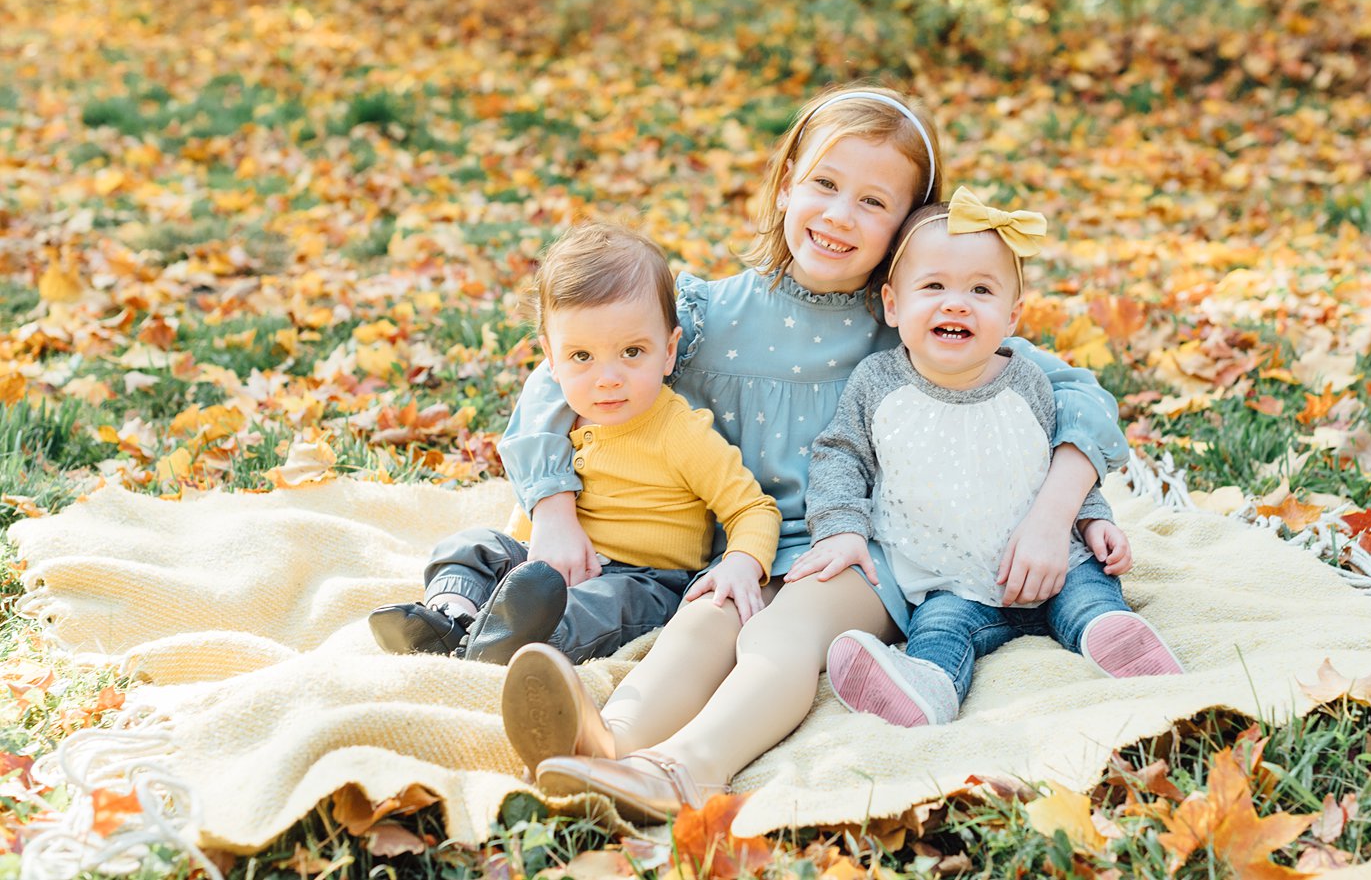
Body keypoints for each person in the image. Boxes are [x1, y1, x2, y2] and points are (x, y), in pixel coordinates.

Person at [495, 84, 1131, 823]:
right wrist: (552, 506)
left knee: (780, 630)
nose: (838, 215)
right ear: (789, 178)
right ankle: (610, 741)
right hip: (740, 546)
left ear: (904, 228)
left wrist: (1057, 514)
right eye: (825, 184)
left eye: (873, 201)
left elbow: (1074, 391)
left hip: (860, 549)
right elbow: (561, 372)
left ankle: (687, 767)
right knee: (705, 617)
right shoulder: (707, 316)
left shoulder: (910, 322)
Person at [808, 188, 1182, 730]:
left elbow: (1050, 459)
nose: (956, 303)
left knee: (1090, 599)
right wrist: (839, 528)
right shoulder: (877, 384)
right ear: (893, 304)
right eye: (933, 286)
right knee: (937, 631)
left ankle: (1121, 643)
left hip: (1058, 566)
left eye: (980, 290)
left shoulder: (1027, 382)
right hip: (950, 582)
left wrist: (1093, 517)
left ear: (1011, 316)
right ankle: (926, 688)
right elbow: (841, 456)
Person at [368, 223, 779, 665]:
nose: (607, 378)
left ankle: (511, 642)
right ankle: (450, 619)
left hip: (643, 581)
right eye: (581, 356)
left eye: (633, 352)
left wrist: (741, 562)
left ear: (668, 350)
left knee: (596, 608)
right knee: (471, 547)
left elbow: (753, 509)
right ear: (551, 357)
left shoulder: (681, 432)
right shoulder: (557, 415)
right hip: (541, 565)